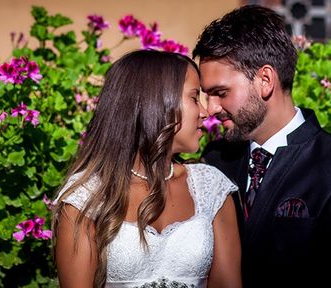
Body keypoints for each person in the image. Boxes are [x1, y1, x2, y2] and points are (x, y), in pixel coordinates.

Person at [193, 5, 331, 287]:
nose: (211, 108)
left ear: (265, 80)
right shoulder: (215, 160)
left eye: (220, 93)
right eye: (206, 95)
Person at [52, 50, 242, 288]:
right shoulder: (86, 197)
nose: (205, 113)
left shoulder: (211, 187)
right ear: (157, 104)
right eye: (194, 98)